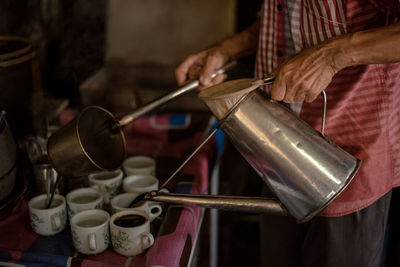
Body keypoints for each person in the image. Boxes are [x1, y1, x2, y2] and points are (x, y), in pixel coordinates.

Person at [175, 1, 400, 266]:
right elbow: (288, 19)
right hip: (277, 156)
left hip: (349, 162)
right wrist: (227, 50)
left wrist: (332, 55)